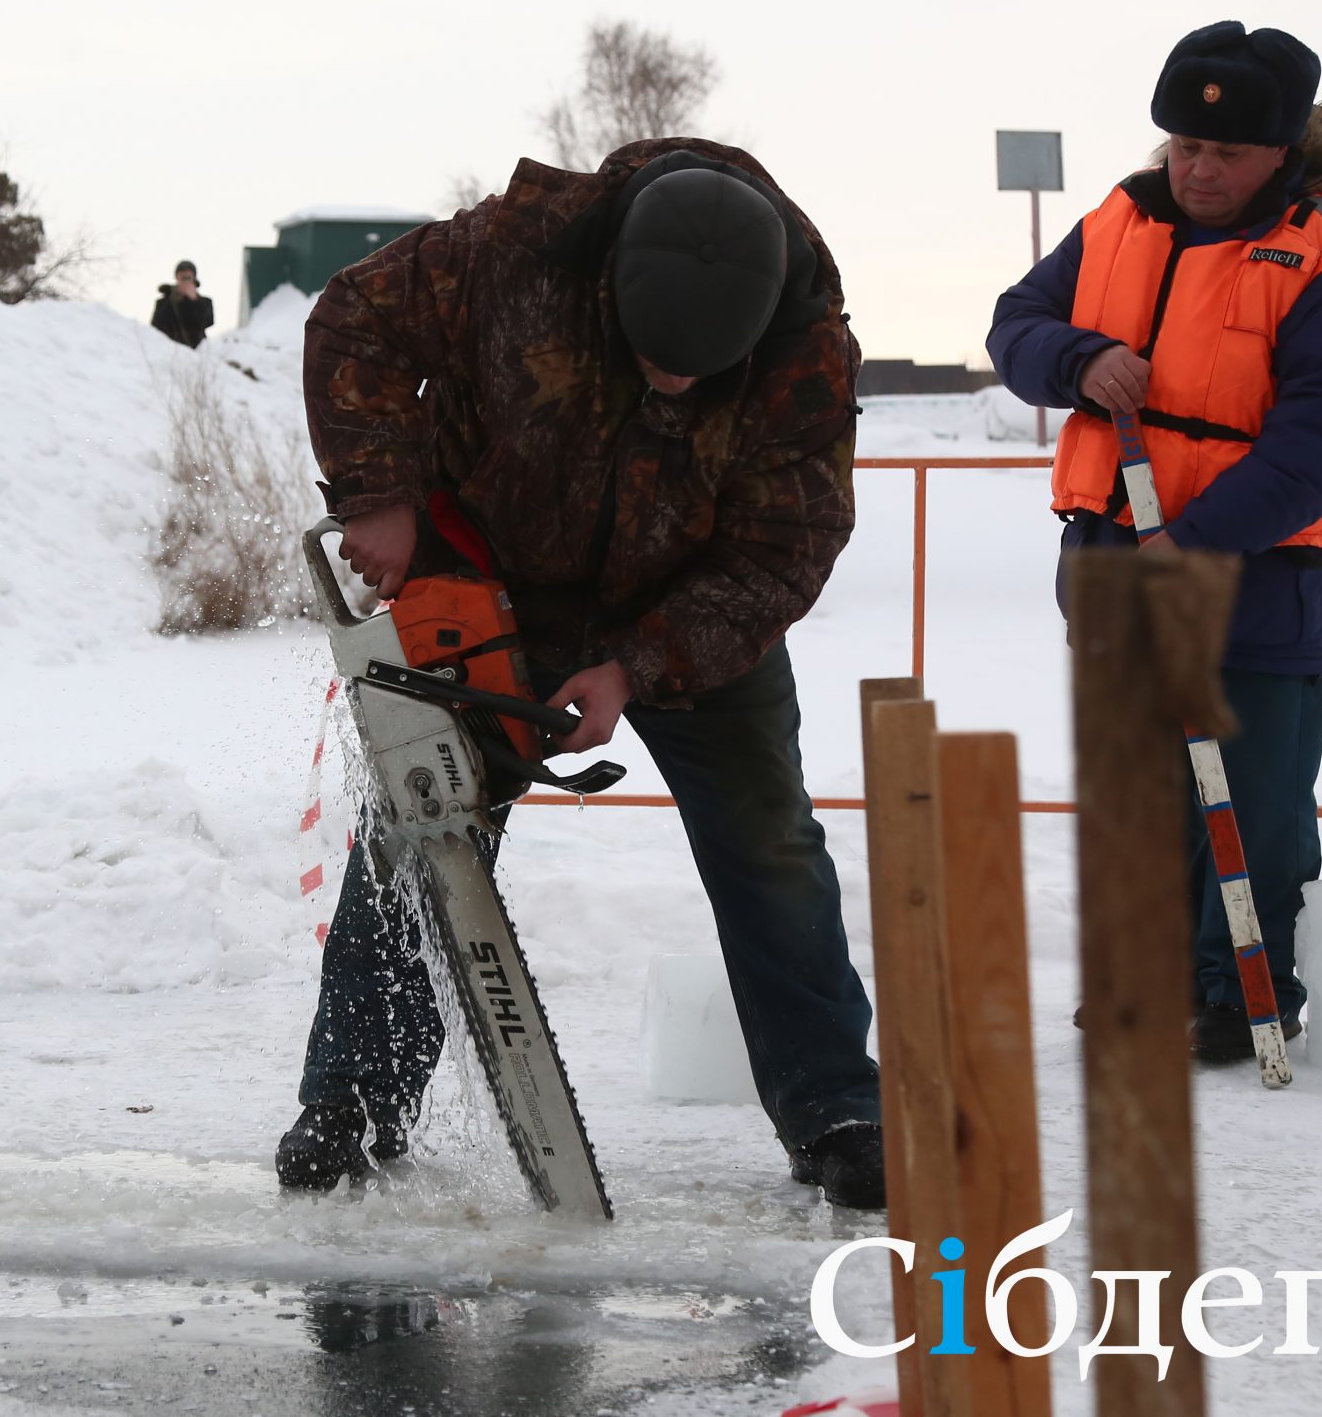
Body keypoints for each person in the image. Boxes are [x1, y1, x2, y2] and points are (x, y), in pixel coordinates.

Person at [280, 138, 888, 1209]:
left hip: (691, 612)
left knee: (769, 845)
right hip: (493, 574)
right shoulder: (514, 251)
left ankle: (835, 1107)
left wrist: (637, 664)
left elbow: (783, 554)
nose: (672, 383)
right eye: (653, 357)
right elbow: (353, 320)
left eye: (697, 374)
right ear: (609, 283)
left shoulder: (807, 358)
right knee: (422, 827)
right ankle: (352, 1102)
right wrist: (378, 490)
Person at [986, 21, 1322, 1063]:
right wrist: (1077, 360)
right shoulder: (1119, 220)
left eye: (1223, 153)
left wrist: (1199, 541)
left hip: (1251, 575)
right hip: (1113, 559)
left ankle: (1241, 997)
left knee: (1251, 798)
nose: (1198, 168)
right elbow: (1014, 326)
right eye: (1182, 146)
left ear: (1281, 153)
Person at [151, 260, 214, 347]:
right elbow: (156, 326)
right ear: (177, 277)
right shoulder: (163, 302)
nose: (185, 281)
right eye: (182, 277)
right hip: (169, 349)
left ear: (194, 278)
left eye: (188, 277)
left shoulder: (205, 302)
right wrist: (175, 300)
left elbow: (208, 321)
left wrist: (194, 301)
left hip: (196, 350)